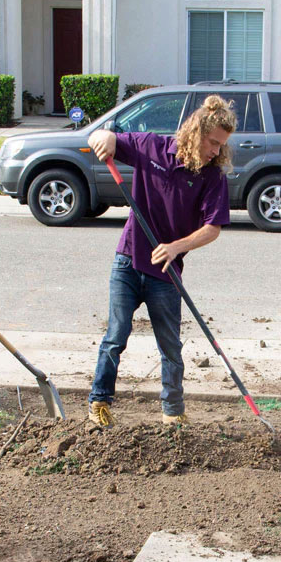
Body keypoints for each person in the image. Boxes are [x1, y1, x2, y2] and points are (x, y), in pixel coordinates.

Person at [87, 94, 237, 429]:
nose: (216, 151)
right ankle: (99, 403)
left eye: (221, 145)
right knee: (115, 336)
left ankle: (173, 413)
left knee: (170, 346)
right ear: (196, 133)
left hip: (166, 273)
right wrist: (102, 138)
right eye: (213, 143)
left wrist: (175, 248)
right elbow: (104, 137)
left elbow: (212, 228)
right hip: (128, 261)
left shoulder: (212, 177)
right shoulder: (151, 148)